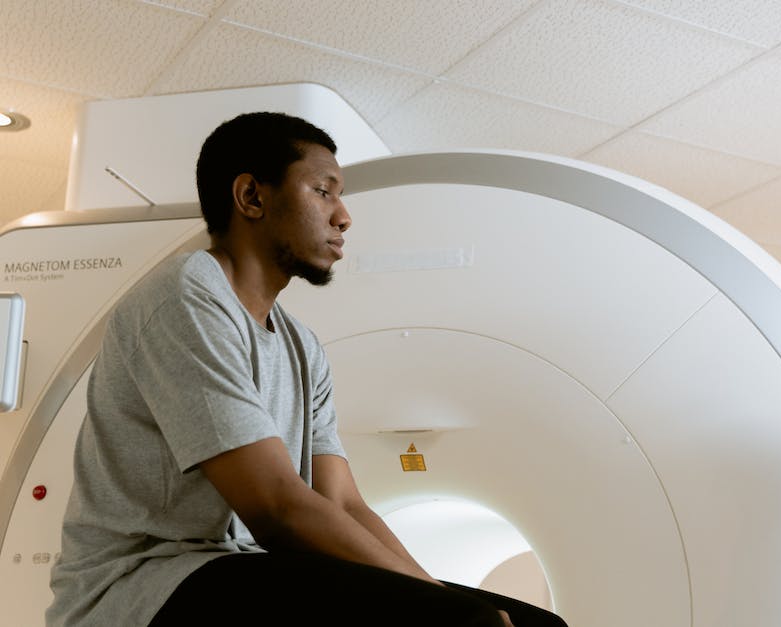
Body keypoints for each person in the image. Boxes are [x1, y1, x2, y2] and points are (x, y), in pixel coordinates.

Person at [47, 112, 568, 627]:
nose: (343, 217)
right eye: (323, 191)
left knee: (538, 626)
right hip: (142, 584)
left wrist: (435, 592)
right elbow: (276, 507)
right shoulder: (184, 297)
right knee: (467, 623)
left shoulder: (302, 347)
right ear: (251, 197)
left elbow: (343, 503)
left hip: (240, 569)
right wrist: (449, 609)